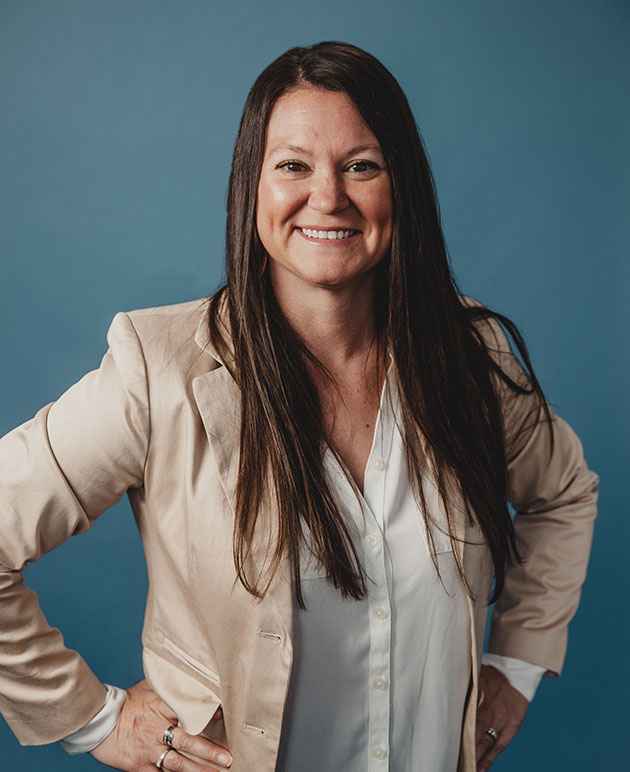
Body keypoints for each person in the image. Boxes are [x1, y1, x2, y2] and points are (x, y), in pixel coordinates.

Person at [0, 41, 599, 772]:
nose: (329, 197)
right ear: (251, 186)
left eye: (361, 166)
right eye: (292, 165)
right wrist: (95, 720)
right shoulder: (160, 371)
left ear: (400, 185)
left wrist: (520, 663)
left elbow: (564, 494)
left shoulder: (469, 357)